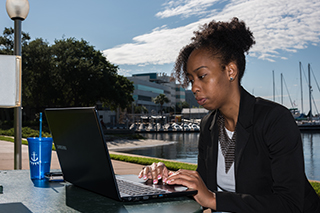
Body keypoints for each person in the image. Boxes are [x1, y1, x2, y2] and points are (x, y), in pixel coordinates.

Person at [138, 17, 320, 212]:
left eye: (202, 76)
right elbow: (203, 187)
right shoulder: (208, 125)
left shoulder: (275, 120)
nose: (195, 87)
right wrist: (169, 179)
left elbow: (290, 205)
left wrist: (214, 200)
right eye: (191, 80)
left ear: (230, 71)